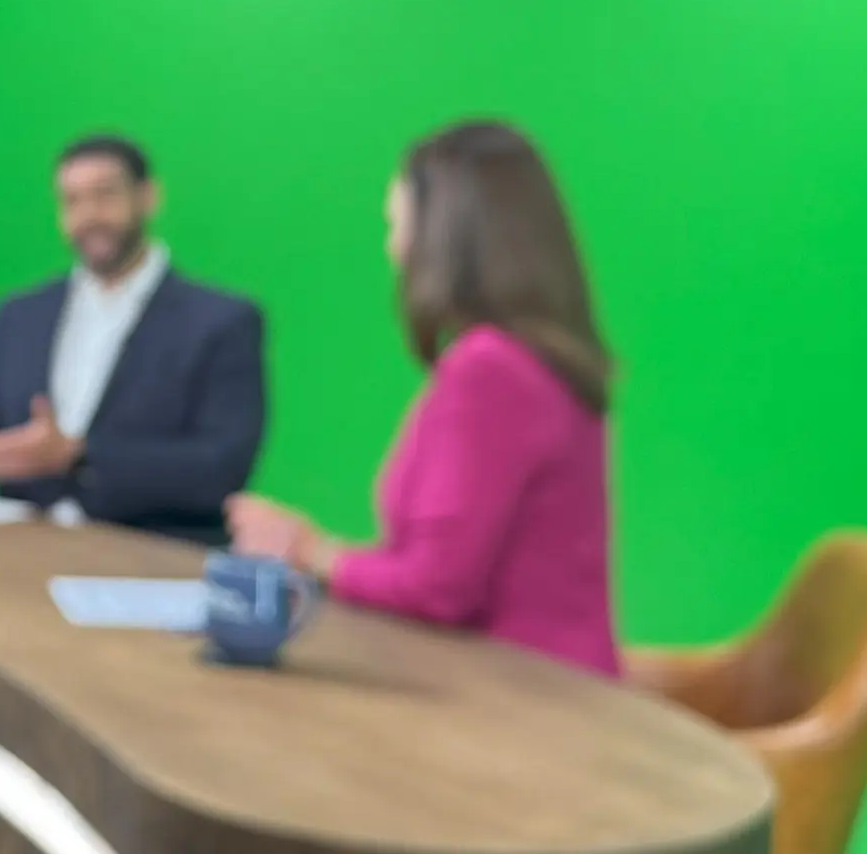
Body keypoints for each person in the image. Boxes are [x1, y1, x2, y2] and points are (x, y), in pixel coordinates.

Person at [225, 120, 618, 676]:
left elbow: (437, 589)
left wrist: (307, 549)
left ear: (443, 238)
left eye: (397, 227)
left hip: (522, 706)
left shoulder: (489, 371)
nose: (392, 250)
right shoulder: (542, 362)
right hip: (553, 689)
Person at [0, 135, 265, 542]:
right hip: (17, 549)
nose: (88, 215)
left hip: (148, 558)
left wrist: (76, 456)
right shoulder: (20, 315)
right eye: (71, 200)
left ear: (149, 196)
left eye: (104, 195)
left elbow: (221, 468)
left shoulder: (222, 321)